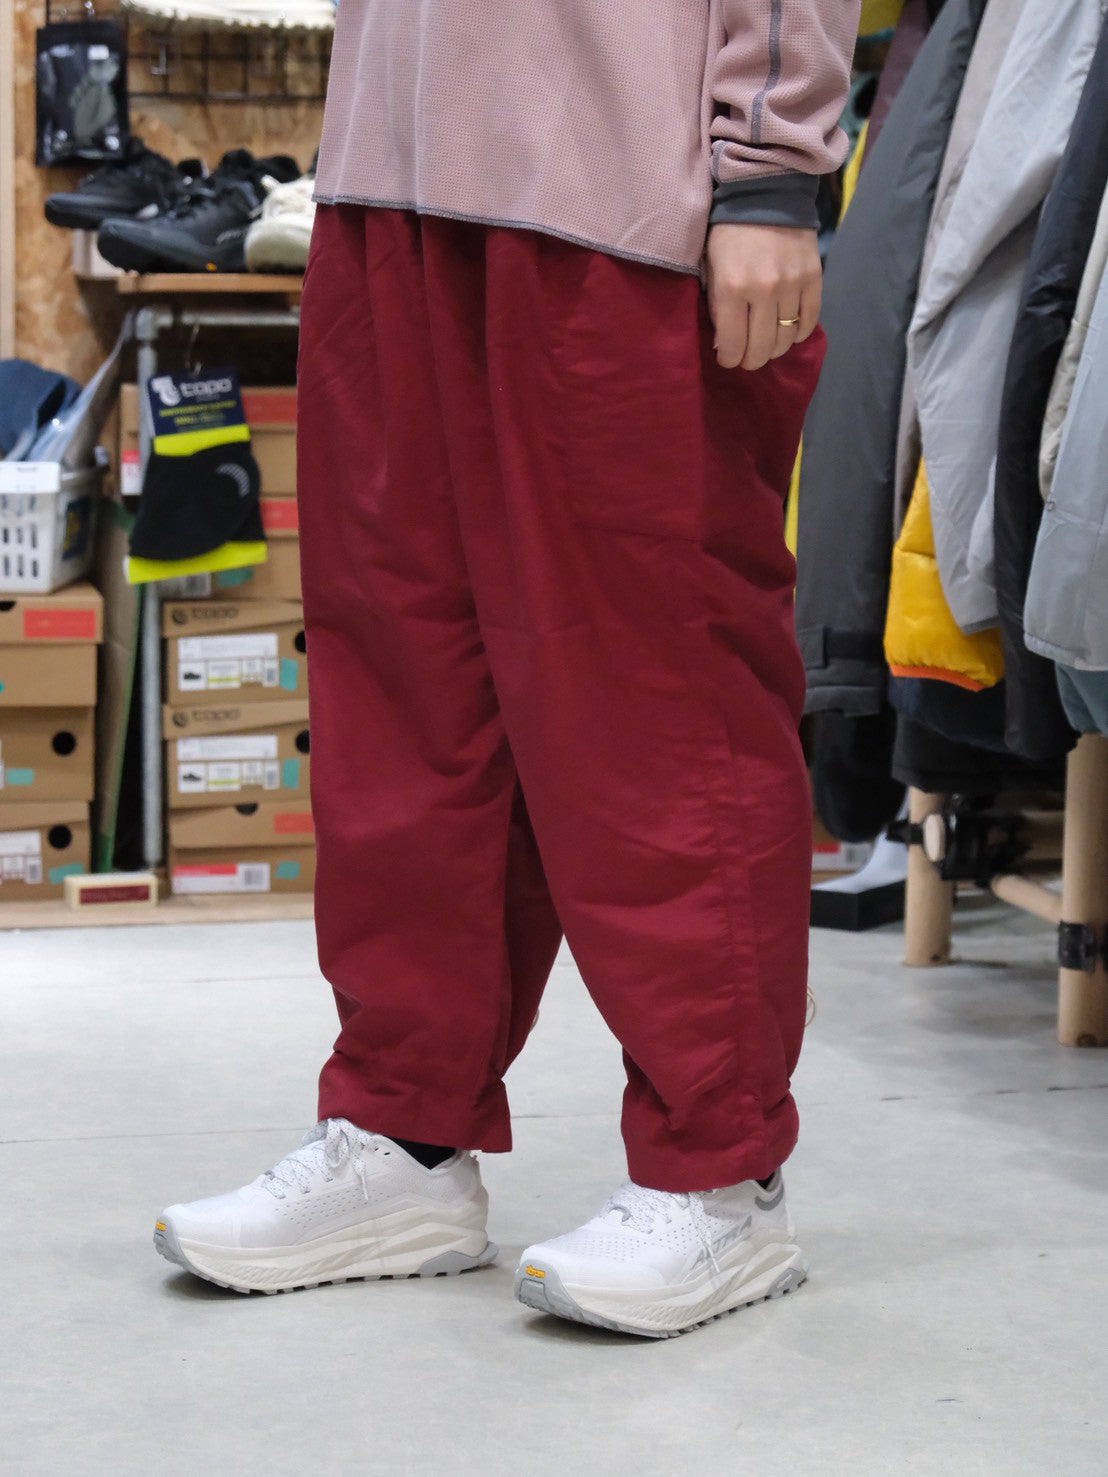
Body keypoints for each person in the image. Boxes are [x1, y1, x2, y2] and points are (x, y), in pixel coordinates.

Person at [154, 0, 860, 1338]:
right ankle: (403, 1134)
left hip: (622, 181)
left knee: (658, 693)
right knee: (404, 685)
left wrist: (769, 164)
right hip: (393, 170)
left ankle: (722, 1173)